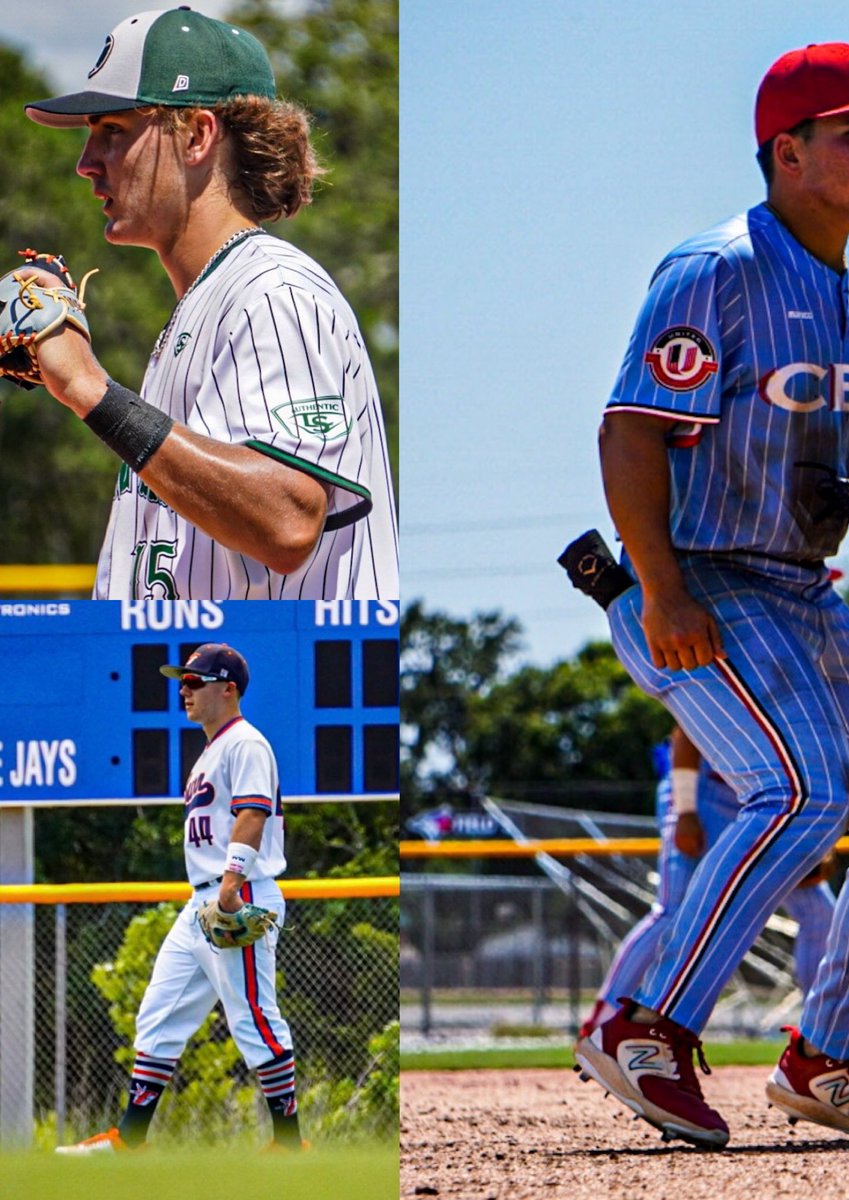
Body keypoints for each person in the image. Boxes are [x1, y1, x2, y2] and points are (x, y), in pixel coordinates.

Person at [573, 42, 849, 1147]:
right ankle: (643, 1027)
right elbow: (630, 429)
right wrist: (659, 589)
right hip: (700, 574)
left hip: (803, 586)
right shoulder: (714, 268)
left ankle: (827, 1059)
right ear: (788, 153)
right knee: (800, 789)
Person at [20, 7, 398, 599]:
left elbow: (288, 520)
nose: (85, 162)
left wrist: (88, 387)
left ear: (197, 136)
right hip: (197, 684)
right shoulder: (206, 303)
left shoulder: (274, 294)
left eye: (114, 129)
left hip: (270, 688)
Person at [56, 643, 304, 1153]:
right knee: (159, 1013)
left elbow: (252, 814)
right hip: (202, 902)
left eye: (195, 681)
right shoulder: (211, 750)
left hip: (239, 891)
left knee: (253, 1017)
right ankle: (129, 1140)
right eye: (182, 681)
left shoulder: (246, 743)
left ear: (227, 688)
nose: (183, 689)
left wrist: (233, 886)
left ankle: (288, 1143)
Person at [581, 724, 837, 1038]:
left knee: (819, 911)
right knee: (674, 911)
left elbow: (820, 768)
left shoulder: (818, 693)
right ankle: (603, 1019)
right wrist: (686, 810)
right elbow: (688, 732)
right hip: (704, 792)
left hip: (773, 802)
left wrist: (823, 842)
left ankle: (821, 1038)